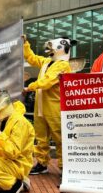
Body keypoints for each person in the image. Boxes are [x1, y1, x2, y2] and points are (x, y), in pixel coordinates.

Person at [22, 35, 73, 177]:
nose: (49, 50)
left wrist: (29, 87)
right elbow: (31, 58)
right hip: (40, 108)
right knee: (41, 139)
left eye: (52, 47)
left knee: (60, 138)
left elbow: (47, 82)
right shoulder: (47, 62)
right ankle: (42, 164)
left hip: (54, 108)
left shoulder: (63, 65)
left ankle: (65, 168)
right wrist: (25, 44)